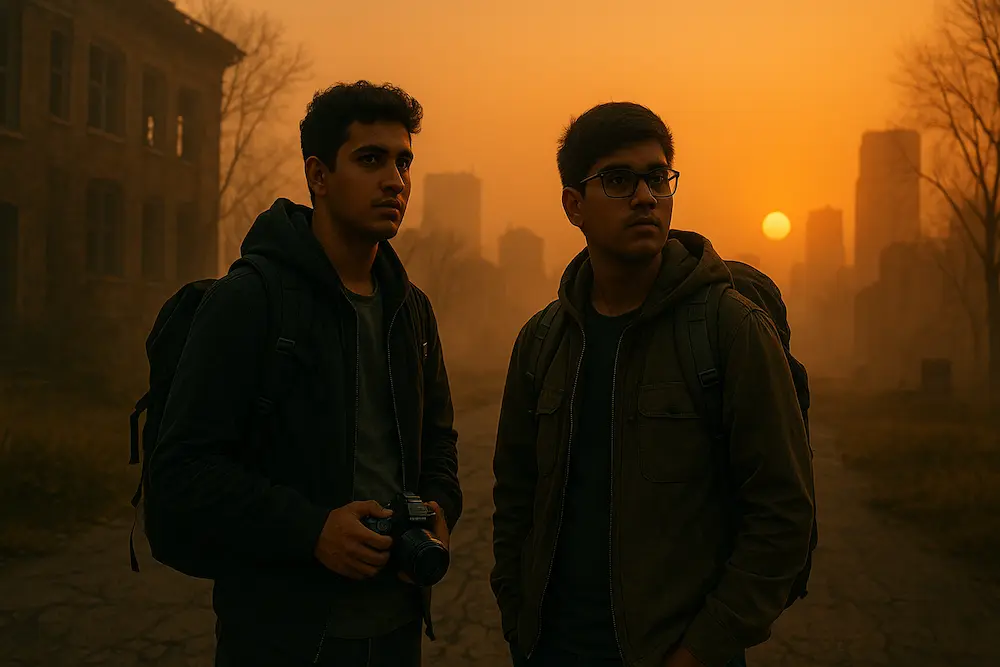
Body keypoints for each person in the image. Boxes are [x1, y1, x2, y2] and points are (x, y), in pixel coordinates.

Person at [146, 81, 462, 667]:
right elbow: (183, 473)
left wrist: (440, 506)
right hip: (282, 634)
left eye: (404, 161)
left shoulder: (411, 310)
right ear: (318, 176)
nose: (395, 180)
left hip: (397, 626)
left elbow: (439, 440)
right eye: (371, 159)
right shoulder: (251, 301)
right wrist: (310, 530)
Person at [490, 102, 814, 667]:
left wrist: (705, 646)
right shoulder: (541, 341)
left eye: (657, 177)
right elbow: (515, 498)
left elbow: (782, 513)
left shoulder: (731, 329)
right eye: (617, 180)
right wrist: (518, 620)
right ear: (573, 205)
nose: (645, 196)